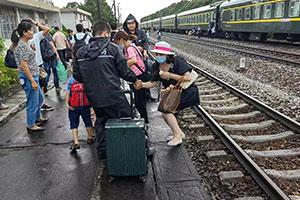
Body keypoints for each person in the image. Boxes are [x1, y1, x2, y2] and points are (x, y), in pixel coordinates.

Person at [76, 21, 142, 159]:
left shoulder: (81, 52)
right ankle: (130, 152)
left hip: (94, 97)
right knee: (126, 118)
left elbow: (77, 76)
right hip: (114, 95)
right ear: (106, 33)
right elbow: (124, 71)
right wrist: (136, 80)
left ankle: (103, 153)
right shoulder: (113, 49)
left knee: (101, 120)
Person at [141, 41, 200, 146]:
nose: (158, 56)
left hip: (187, 91)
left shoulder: (177, 61)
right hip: (175, 92)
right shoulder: (156, 65)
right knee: (165, 112)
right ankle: (178, 133)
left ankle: (177, 136)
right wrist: (141, 85)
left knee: (167, 112)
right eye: (157, 54)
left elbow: (188, 77)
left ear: (168, 55)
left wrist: (170, 75)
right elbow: (153, 83)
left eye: (161, 54)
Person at [12, 21, 48, 132]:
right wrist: (32, 80)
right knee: (32, 100)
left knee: (39, 98)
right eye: (31, 30)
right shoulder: (22, 46)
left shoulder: (25, 44)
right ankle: (31, 124)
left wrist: (32, 51)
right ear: (24, 32)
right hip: (29, 77)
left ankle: (37, 117)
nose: (33, 32)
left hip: (33, 75)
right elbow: (24, 65)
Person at [114, 30, 149, 124]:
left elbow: (133, 60)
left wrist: (122, 67)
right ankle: (144, 119)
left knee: (139, 101)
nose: (118, 45)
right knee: (140, 100)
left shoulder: (129, 48)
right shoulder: (132, 45)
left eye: (117, 42)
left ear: (121, 40)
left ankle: (145, 121)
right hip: (140, 73)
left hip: (139, 75)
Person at [21, 19, 54, 111]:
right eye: (30, 28)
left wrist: (36, 23)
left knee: (42, 85)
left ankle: (41, 104)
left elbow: (47, 29)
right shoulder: (21, 41)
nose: (32, 30)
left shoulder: (36, 36)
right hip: (30, 68)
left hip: (39, 65)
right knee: (34, 89)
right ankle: (36, 110)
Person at [123, 14, 156, 102]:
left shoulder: (141, 32)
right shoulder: (125, 34)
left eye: (132, 23)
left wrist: (145, 51)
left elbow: (145, 42)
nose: (131, 25)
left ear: (136, 23)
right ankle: (136, 97)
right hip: (132, 62)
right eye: (129, 23)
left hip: (142, 59)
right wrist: (136, 49)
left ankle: (148, 95)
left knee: (145, 76)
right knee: (133, 79)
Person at [65, 75, 95, 151]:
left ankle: (76, 142)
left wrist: (67, 103)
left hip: (73, 106)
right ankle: (90, 137)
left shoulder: (71, 80)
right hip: (85, 105)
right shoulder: (85, 77)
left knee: (73, 123)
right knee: (88, 121)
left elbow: (68, 92)